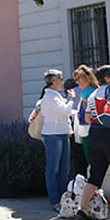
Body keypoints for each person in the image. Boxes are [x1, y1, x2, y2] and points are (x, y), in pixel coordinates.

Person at [76, 64, 110, 220]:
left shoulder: (93, 94)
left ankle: (83, 208)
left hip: (95, 134)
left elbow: (87, 118)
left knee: (96, 173)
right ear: (107, 78)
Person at [38, 69, 74, 211]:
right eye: (60, 79)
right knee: (53, 168)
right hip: (53, 134)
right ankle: (54, 199)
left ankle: (62, 197)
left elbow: (64, 114)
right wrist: (71, 100)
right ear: (54, 81)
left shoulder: (56, 95)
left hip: (62, 133)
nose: (62, 82)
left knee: (64, 168)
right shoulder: (50, 97)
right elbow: (65, 111)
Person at [70, 65, 99, 179]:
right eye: (76, 80)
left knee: (94, 164)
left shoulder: (92, 94)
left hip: (90, 133)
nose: (77, 82)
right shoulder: (85, 94)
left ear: (88, 78)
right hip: (84, 133)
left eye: (79, 78)